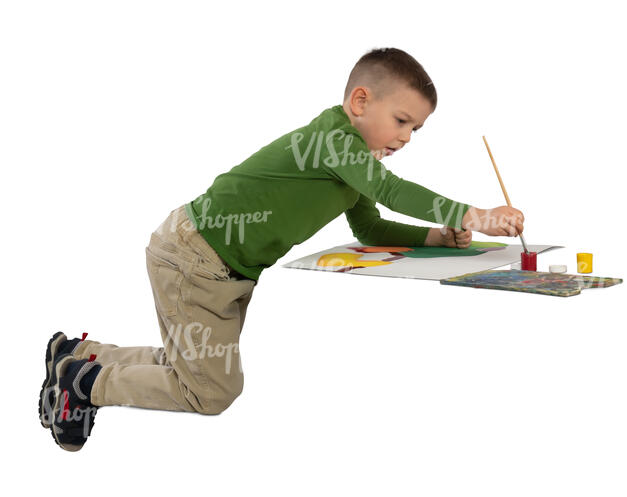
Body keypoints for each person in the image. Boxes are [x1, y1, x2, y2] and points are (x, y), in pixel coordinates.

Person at [39, 47, 524, 451]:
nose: (405, 137)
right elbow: (395, 191)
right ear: (360, 100)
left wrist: (437, 236)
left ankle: (82, 354)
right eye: (401, 120)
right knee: (210, 391)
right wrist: (473, 215)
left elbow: (371, 228)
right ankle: (84, 386)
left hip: (208, 260)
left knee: (186, 365)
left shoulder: (353, 162)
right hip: (197, 258)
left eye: (415, 129)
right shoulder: (334, 141)